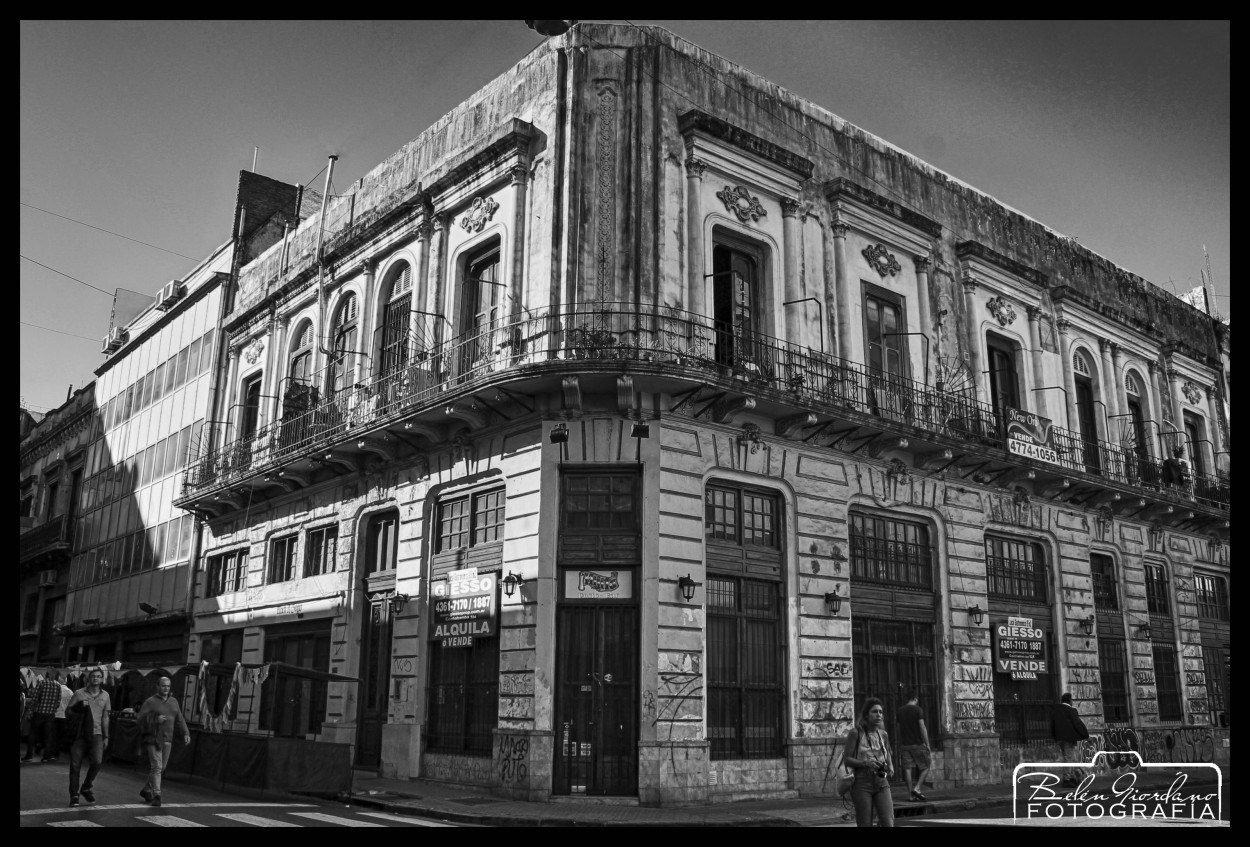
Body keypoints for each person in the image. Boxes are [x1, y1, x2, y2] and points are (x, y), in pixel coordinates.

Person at [137, 676, 190, 807]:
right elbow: (139, 719)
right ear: (157, 686)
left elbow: (180, 719)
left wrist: (186, 732)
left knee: (161, 768)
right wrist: (155, 719)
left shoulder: (174, 701)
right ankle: (157, 795)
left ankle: (146, 790)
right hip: (153, 738)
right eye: (163, 686)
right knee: (156, 766)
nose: (166, 688)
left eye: (168, 686)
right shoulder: (150, 701)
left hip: (168, 740)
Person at [843, 697, 895, 827]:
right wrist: (866, 763)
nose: (878, 715)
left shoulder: (883, 734)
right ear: (866, 714)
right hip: (861, 783)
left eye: (881, 712)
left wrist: (891, 765)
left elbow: (888, 751)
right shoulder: (855, 733)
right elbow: (847, 759)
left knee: (888, 822)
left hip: (881, 782)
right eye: (874, 712)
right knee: (865, 823)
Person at [66, 668, 112, 807]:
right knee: (75, 765)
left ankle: (86, 787)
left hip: (97, 734)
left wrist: (106, 736)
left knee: (97, 762)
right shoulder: (79, 693)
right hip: (80, 734)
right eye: (93, 676)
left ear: (102, 679)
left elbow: (105, 717)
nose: (96, 678)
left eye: (99, 676)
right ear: (88, 679)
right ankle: (74, 795)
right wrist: (79, 706)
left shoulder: (106, 696)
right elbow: (68, 712)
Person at [896, 689, 931, 801]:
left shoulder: (900, 711)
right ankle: (917, 788)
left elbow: (897, 728)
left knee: (907, 769)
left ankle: (910, 795)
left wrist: (899, 741)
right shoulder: (918, 710)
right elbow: (922, 727)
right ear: (915, 699)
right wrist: (927, 744)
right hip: (917, 744)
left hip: (904, 745)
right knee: (926, 766)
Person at [1051, 692, 1089, 787]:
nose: (1072, 702)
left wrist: (1055, 737)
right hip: (1068, 739)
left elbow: (1052, 725)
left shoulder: (1055, 710)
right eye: (1072, 700)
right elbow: (1077, 724)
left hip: (1060, 739)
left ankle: (1072, 777)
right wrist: (1086, 735)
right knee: (1069, 759)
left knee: (1069, 758)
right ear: (1069, 700)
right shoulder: (1071, 710)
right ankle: (1067, 779)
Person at [23, 672, 62, 762]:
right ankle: (46, 757)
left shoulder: (42, 683)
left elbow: (35, 698)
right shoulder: (58, 685)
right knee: (48, 736)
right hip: (50, 714)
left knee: (33, 734)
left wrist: (30, 711)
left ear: (46, 675)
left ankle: (29, 756)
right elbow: (58, 701)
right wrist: (52, 710)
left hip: (39, 713)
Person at [54, 676, 74, 761]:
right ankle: (56, 753)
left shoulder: (55, 690)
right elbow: (72, 705)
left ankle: (49, 752)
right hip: (64, 716)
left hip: (54, 715)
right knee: (60, 736)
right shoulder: (70, 692)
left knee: (52, 735)